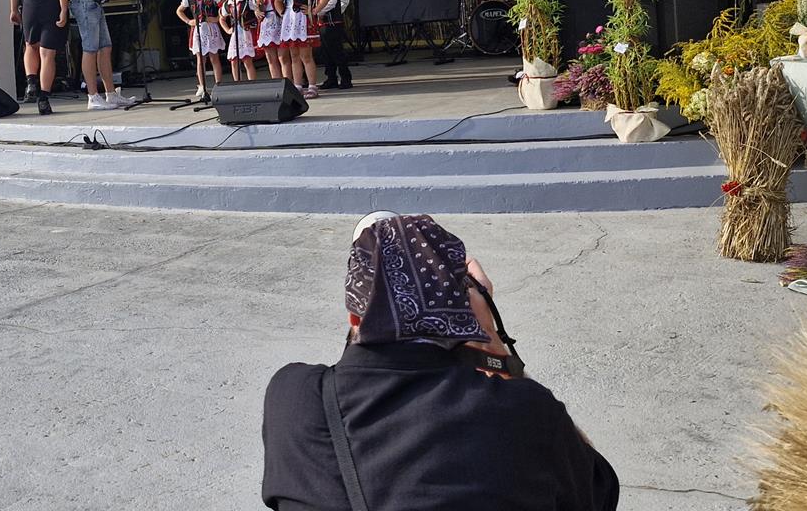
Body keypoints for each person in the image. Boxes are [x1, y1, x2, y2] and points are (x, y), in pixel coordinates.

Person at [262, 213, 620, 511]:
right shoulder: (527, 413)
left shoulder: (294, 400)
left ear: (354, 317)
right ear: (463, 315)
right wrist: (494, 345)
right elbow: (599, 492)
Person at [274, 0, 325, 98]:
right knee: (294, 56)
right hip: (290, 23)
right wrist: (283, 12)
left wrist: (314, 10)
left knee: (306, 56)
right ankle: (297, 86)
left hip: (303, 22)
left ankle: (312, 86)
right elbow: (277, 1)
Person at [175, 0, 227, 101]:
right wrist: (188, 21)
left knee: (214, 57)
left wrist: (217, 18)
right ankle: (202, 86)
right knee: (200, 59)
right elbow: (179, 10)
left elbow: (225, 7)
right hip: (198, 30)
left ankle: (219, 85)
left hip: (211, 29)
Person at [309, 0, 353, 90]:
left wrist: (319, 12)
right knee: (326, 52)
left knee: (336, 52)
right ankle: (331, 78)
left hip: (330, 24)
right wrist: (339, 12)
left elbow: (332, 0)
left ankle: (345, 79)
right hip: (328, 23)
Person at [219, 0, 258, 81]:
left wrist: (256, 13)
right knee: (234, 61)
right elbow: (222, 18)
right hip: (235, 34)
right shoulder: (227, 4)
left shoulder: (247, 0)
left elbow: (257, 9)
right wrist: (227, 30)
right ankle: (237, 83)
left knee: (247, 60)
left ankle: (253, 84)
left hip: (246, 33)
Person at [251, 0, 286, 82]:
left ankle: (289, 82)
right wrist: (257, 11)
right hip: (267, 24)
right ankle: (276, 82)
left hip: (280, 20)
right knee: (270, 58)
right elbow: (256, 8)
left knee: (283, 57)